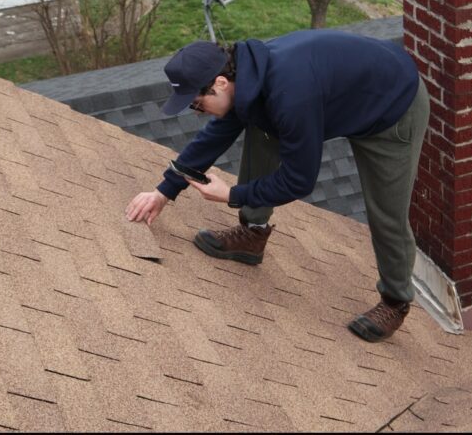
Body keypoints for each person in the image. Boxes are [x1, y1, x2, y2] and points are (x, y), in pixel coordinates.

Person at [125, 30, 430, 342]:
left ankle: (396, 300)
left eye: (196, 105)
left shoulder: (289, 93)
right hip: (346, 92)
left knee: (386, 213)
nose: (197, 113)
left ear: (219, 83)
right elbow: (214, 137)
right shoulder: (247, 78)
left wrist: (232, 194)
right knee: (262, 127)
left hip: (392, 107)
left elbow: (300, 179)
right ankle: (252, 232)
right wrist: (164, 191)